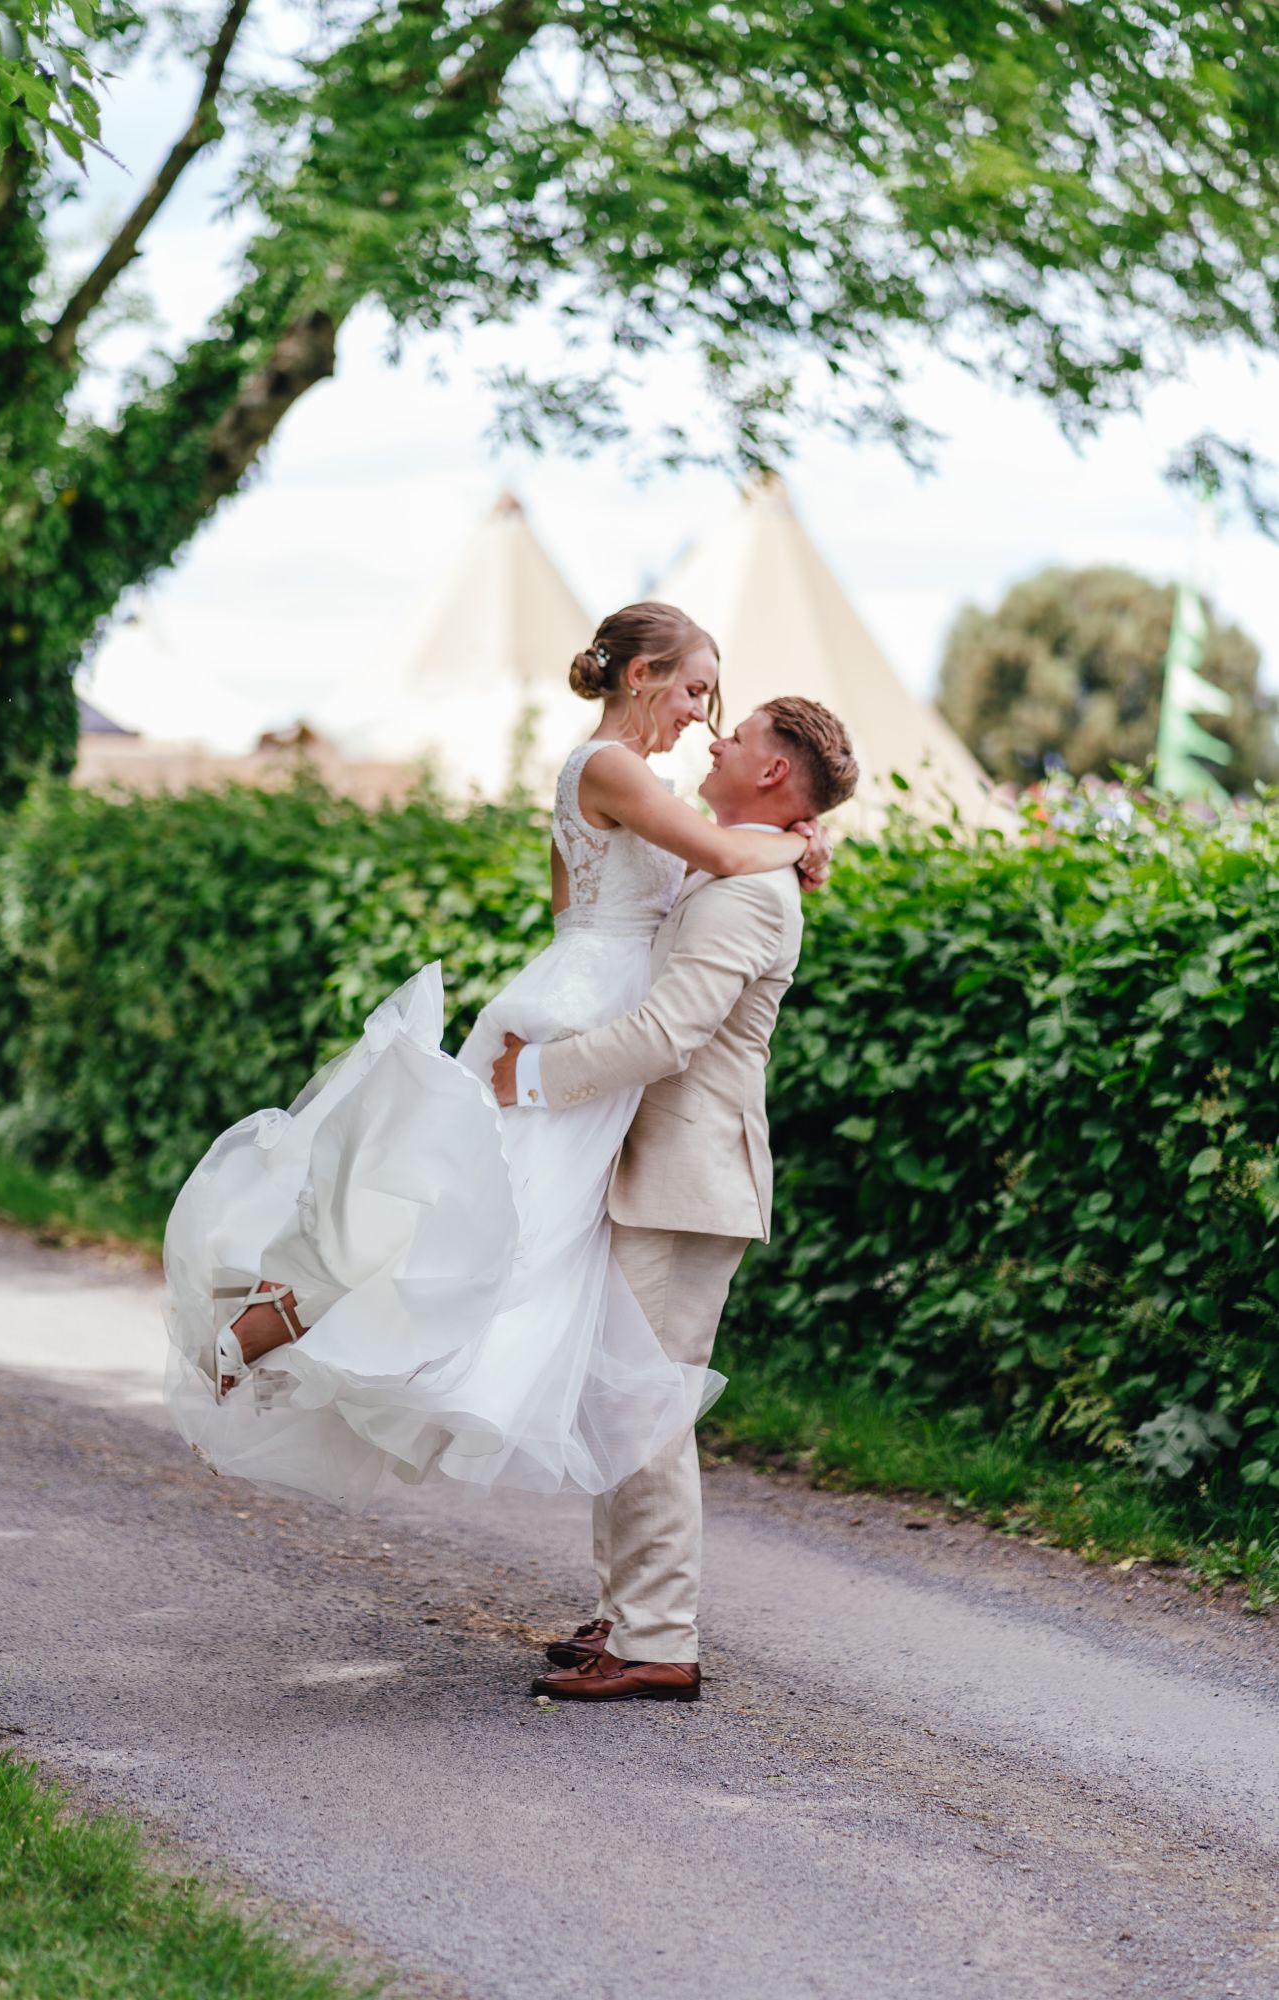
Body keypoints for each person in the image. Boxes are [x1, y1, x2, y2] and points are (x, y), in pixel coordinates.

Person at [162, 603, 835, 1514]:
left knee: (504, 1230)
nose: (703, 717)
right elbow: (714, 854)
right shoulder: (610, 766)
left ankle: (304, 1317)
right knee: (493, 1224)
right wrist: (799, 837)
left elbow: (615, 892)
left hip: (590, 989)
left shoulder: (617, 777)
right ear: (640, 677)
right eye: (694, 689)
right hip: (590, 1007)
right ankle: (290, 1318)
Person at [492, 694, 859, 1703]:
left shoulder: (746, 891)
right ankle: (626, 1611)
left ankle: (660, 1636)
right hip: (657, 1169)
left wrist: (530, 1077)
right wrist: (792, 843)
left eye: (736, 736)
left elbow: (665, 1036)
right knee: (621, 1389)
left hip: (689, 1177)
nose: (713, 736)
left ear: (776, 773)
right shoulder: (736, 860)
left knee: (645, 1400)